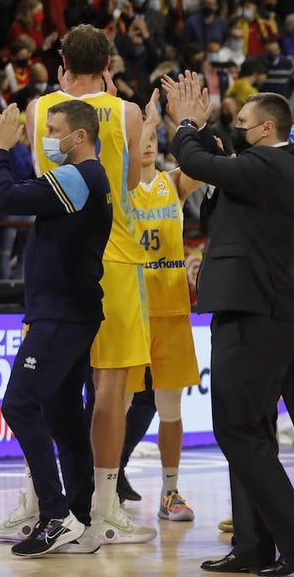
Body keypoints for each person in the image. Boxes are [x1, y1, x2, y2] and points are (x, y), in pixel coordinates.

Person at [0, 25, 156, 546]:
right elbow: (132, 184)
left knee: (41, 398)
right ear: (109, 64)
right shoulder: (126, 112)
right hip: (118, 262)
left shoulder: (38, 110)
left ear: (61, 62)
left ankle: (42, 503)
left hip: (67, 271)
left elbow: (33, 184)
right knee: (105, 393)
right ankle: (100, 508)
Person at [163, 76, 294, 576]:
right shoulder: (264, 165)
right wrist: (210, 133)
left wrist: (188, 124)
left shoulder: (276, 162)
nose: (235, 131)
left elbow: (194, 163)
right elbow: (218, 187)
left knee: (235, 427)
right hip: (251, 309)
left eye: (240, 124)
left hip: (259, 311)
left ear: (267, 128)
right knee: (250, 428)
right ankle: (253, 546)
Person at [0, 97, 112, 557]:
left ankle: (55, 516)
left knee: (18, 404)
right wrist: (3, 143)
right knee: (61, 414)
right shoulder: (85, 178)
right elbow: (27, 189)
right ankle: (77, 515)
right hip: (70, 310)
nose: (47, 137)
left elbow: (5, 199)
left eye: (53, 129)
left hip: (62, 313)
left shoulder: (81, 177)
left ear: (79, 137)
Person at [126, 117, 203, 522]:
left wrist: (190, 122)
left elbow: (204, 162)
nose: (149, 145)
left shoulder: (170, 183)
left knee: (170, 409)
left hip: (172, 311)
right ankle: (99, 492)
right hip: (131, 312)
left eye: (153, 138)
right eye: (140, 138)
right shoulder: (118, 188)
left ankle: (170, 492)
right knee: (115, 407)